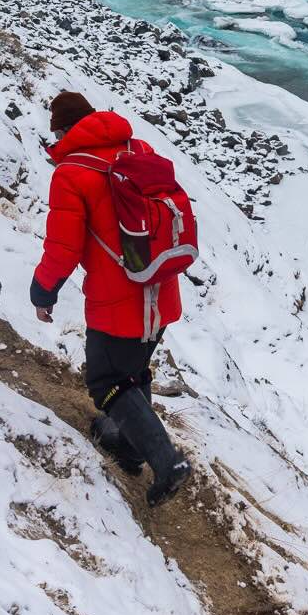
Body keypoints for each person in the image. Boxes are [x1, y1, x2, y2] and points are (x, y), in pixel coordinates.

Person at [30, 91, 192, 507]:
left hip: (116, 299)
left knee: (106, 381)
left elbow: (63, 248)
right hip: (160, 286)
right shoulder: (139, 148)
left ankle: (165, 460)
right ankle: (129, 447)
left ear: (64, 131)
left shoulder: (71, 174)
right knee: (133, 371)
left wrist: (43, 291)